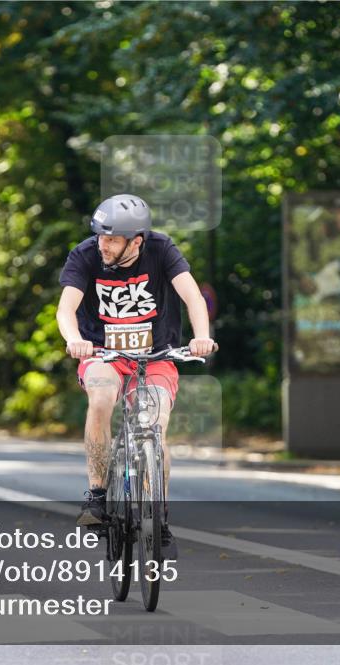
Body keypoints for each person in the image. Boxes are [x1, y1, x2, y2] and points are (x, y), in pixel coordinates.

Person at [55, 194, 215, 559]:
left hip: (156, 356)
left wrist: (201, 336)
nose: (103, 244)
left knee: (155, 426)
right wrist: (75, 340)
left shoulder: (161, 249)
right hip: (102, 355)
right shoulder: (85, 255)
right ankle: (96, 496)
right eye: (100, 236)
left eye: (111, 239)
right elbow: (66, 308)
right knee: (100, 396)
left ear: (137, 241)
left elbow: (192, 297)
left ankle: (158, 519)